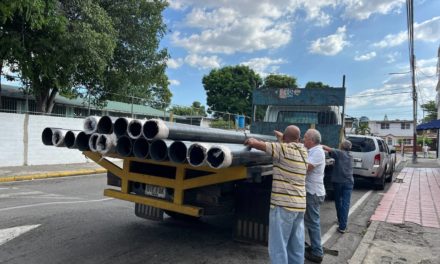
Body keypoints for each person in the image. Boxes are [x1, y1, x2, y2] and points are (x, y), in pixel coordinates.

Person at [244, 125, 308, 264]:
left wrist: (251, 141)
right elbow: (289, 143)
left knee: (278, 247)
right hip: (299, 207)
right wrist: (282, 137)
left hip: (283, 207)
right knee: (295, 246)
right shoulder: (303, 151)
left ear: (284, 139)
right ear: (299, 139)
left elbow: (261, 145)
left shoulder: (282, 149)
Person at [303, 129, 326, 263]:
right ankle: (314, 247)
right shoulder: (312, 150)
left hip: (313, 192)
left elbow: (306, 166)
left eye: (305, 137)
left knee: (313, 223)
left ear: (311, 140)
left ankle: (317, 252)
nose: (303, 139)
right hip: (311, 191)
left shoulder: (317, 151)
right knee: (311, 222)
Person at [322, 140, 354, 234]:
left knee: (338, 201)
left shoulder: (339, 153)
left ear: (342, 146)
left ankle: (341, 222)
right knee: (346, 203)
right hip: (349, 182)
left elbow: (326, 148)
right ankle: (342, 225)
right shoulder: (351, 155)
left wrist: (317, 145)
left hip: (339, 182)